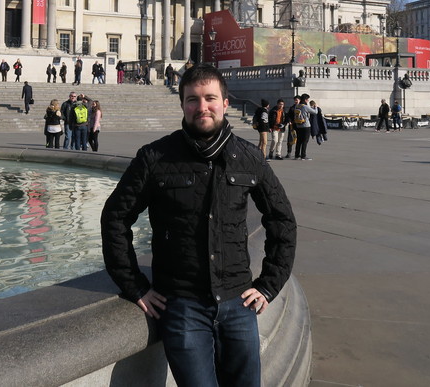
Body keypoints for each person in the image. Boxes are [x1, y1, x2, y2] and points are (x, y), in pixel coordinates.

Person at [101, 64, 297, 387]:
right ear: (182, 105)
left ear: (224, 102)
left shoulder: (248, 157)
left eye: (210, 98)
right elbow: (115, 217)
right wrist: (133, 284)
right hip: (182, 306)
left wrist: (269, 284)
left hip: (238, 302)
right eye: (192, 99)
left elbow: (282, 220)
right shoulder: (155, 158)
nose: (201, 107)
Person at [292, 94, 317, 160]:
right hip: (306, 125)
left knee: (299, 141)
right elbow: (315, 112)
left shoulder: (297, 106)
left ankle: (296, 155)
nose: (308, 101)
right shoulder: (305, 106)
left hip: (298, 125)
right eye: (307, 99)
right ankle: (303, 155)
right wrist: (315, 107)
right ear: (305, 100)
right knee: (305, 141)